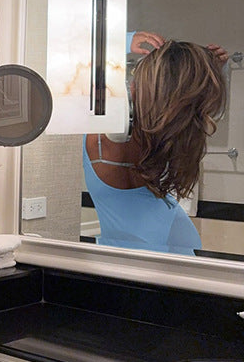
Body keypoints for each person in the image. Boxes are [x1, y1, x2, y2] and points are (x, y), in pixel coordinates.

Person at [83, 40, 227, 255]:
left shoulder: (101, 138)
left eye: (136, 77)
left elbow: (80, 51)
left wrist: (128, 40)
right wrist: (207, 75)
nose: (130, 84)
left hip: (133, 254)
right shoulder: (168, 138)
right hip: (172, 248)